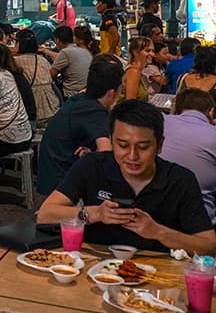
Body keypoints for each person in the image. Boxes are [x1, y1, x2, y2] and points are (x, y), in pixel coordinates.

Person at [36, 100, 216, 255]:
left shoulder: (180, 180)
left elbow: (208, 245)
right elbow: (45, 214)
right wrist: (95, 213)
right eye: (122, 145)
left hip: (156, 276)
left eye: (143, 147)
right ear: (111, 141)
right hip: (96, 267)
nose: (132, 156)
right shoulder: (92, 166)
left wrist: (158, 232)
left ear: (159, 146)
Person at [37, 57, 125, 195]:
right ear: (111, 93)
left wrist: (91, 155)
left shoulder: (80, 100)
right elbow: (106, 155)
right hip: (62, 181)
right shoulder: (94, 111)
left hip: (51, 173)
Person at [161, 89, 216, 223]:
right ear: (211, 111)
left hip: (152, 209)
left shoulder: (158, 121)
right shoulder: (212, 134)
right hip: (199, 221)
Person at [13, 29, 60, 126]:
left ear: (19, 44)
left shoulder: (15, 62)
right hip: (52, 107)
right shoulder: (43, 60)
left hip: (33, 109)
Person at [42, 26, 92, 100]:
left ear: (57, 40)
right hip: (86, 91)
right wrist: (45, 51)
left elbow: (50, 75)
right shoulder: (83, 50)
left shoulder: (65, 52)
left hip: (71, 95)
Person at [123, 36, 154, 101]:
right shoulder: (134, 72)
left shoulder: (137, 70)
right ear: (136, 52)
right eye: (147, 51)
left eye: (152, 51)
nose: (152, 54)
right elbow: (131, 102)